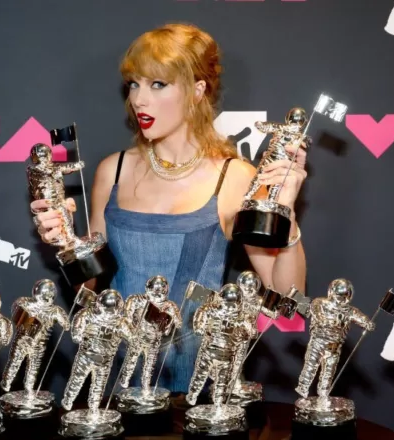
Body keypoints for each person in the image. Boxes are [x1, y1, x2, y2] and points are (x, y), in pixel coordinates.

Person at [31, 23, 307, 393]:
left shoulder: (234, 176)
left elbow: (286, 299)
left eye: (158, 85)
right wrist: (66, 242)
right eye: (134, 84)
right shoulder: (112, 170)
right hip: (116, 385)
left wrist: (285, 213)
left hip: (199, 389)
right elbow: (90, 292)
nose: (139, 100)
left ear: (197, 91)